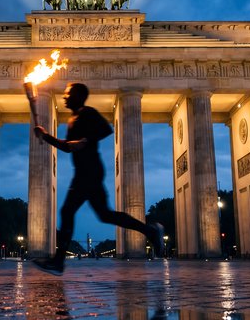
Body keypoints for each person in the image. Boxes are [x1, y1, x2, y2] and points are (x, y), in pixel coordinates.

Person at [32, 83, 164, 275]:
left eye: (68, 94)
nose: (64, 97)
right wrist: (45, 136)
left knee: (67, 210)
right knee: (105, 215)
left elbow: (105, 129)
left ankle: (58, 262)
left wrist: (86, 140)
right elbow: (68, 146)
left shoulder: (87, 113)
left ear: (78, 96)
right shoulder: (73, 118)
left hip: (89, 171)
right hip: (84, 172)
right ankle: (150, 231)